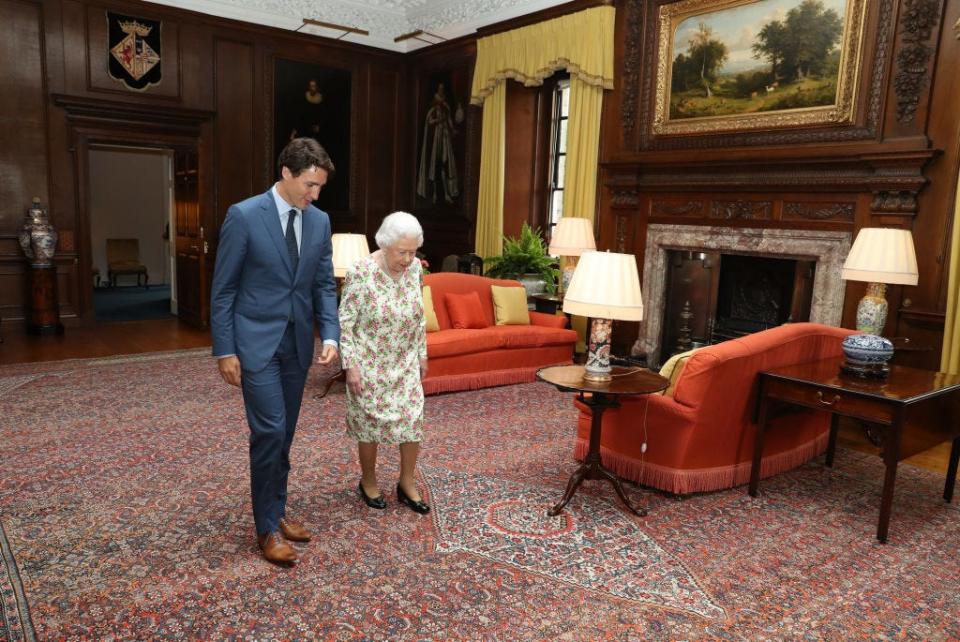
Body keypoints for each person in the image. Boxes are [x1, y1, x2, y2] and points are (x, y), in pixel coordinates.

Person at [210, 137, 340, 566]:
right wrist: (225, 349)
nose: (314, 194)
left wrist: (332, 336)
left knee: (284, 435)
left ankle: (278, 511)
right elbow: (224, 289)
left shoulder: (319, 221)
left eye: (319, 186)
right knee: (268, 432)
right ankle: (265, 528)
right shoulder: (245, 216)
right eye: (309, 184)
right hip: (255, 344)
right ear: (286, 173)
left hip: (298, 343)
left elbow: (323, 283)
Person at [338, 211, 430, 514]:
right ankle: (368, 480)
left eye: (412, 251)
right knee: (370, 424)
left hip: (403, 361)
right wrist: (350, 364)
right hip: (369, 363)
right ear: (385, 245)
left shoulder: (415, 269)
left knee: (412, 420)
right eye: (401, 252)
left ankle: (407, 482)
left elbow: (418, 317)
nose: (407, 259)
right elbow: (346, 322)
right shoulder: (361, 271)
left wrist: (422, 354)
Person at [416, 82, 461, 205]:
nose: (441, 91)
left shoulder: (446, 106)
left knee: (444, 166)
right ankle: (435, 194)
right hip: (435, 140)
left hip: (445, 138)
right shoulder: (433, 107)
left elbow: (449, 120)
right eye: (439, 89)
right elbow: (429, 121)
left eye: (443, 89)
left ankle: (446, 193)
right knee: (435, 167)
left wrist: (453, 130)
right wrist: (437, 120)